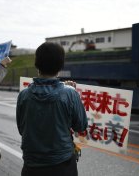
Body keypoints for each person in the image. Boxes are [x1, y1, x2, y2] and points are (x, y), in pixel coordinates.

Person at [16, 42, 88, 176]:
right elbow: (81, 126)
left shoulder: (24, 95)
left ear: (37, 64)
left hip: (31, 165)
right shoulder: (70, 93)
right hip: (62, 165)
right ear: (61, 65)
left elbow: (22, 129)